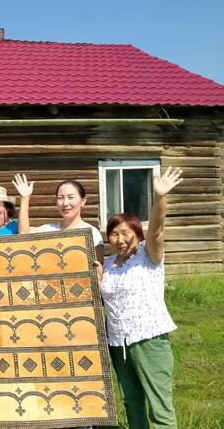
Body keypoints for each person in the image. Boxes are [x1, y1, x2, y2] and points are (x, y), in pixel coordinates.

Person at [100, 167, 182, 429]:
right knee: (131, 402)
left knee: (159, 404)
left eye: (126, 232)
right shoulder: (109, 263)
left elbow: (157, 231)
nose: (120, 239)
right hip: (117, 343)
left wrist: (160, 198)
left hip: (149, 338)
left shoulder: (149, 256)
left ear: (137, 233)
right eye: (114, 233)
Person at [18, 177, 104, 263]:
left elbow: (98, 270)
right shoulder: (50, 229)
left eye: (70, 197)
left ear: (83, 201)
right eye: (60, 198)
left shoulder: (92, 233)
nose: (65, 203)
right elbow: (25, 233)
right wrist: (25, 198)